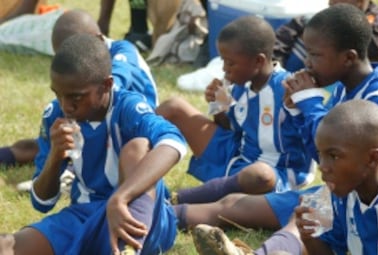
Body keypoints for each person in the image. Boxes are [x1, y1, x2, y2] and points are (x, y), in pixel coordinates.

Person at [0, 33, 187, 255]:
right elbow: (42, 201)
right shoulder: (55, 116)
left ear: (106, 85)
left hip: (139, 215)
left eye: (75, 97)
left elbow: (173, 142)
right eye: (58, 95)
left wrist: (121, 196)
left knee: (136, 147)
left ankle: (128, 249)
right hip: (84, 215)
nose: (65, 105)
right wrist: (55, 156)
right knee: (7, 245)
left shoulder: (127, 107)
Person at [190, 99, 378, 255]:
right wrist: (309, 236)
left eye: (334, 156)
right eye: (320, 155)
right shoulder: (343, 195)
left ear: (372, 159)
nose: (323, 167)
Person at [157, 16, 315, 205]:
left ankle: (182, 198)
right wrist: (219, 106)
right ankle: (130, 169)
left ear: (258, 61)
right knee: (173, 107)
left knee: (259, 174)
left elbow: (311, 138)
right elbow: (230, 127)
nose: (225, 69)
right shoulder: (241, 85)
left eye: (230, 63)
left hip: (274, 175)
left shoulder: (288, 88)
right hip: (235, 156)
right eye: (223, 61)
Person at [0, 9, 159, 169]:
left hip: (131, 131)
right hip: (94, 120)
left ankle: (73, 172)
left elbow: (115, 85)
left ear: (97, 40)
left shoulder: (123, 52)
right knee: (47, 143)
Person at [273, 0, 378, 101]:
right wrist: (296, 110)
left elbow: (330, 138)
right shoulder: (342, 88)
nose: (330, 2)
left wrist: (309, 102)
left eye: (314, 55)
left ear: (360, 2)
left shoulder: (377, 97)